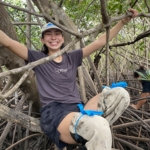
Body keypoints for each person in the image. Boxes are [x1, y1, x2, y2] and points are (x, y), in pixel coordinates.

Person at [0, 8, 138, 150]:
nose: (53, 37)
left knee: (121, 94)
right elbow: (8, 42)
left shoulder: (72, 57)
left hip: (79, 109)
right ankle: (94, 136)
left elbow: (100, 42)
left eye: (57, 33)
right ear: (42, 39)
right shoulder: (37, 58)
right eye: (48, 34)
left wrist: (122, 22)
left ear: (63, 38)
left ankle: (91, 140)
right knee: (100, 126)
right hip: (56, 114)